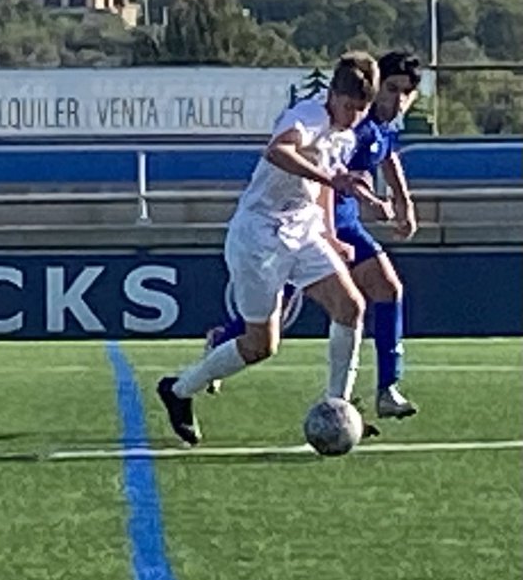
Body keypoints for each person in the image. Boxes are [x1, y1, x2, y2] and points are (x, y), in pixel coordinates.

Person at [156, 53, 379, 445]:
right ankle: (178, 391)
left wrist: (329, 234)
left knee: (351, 306)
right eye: (348, 107)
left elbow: (324, 185)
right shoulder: (308, 115)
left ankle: (339, 406)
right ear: (332, 95)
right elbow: (278, 151)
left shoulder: (345, 134)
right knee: (260, 346)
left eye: (360, 111)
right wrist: (333, 177)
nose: (352, 117)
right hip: (259, 234)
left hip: (303, 230)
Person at [202, 51, 422, 418]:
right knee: (270, 319)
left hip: (345, 223)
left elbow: (387, 156)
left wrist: (403, 200)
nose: (397, 99)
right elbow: (330, 173)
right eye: (392, 88)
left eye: (407, 92)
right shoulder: (351, 121)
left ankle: (384, 389)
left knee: (386, 289)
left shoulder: (381, 125)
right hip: (312, 224)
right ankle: (221, 345)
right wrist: (366, 204)